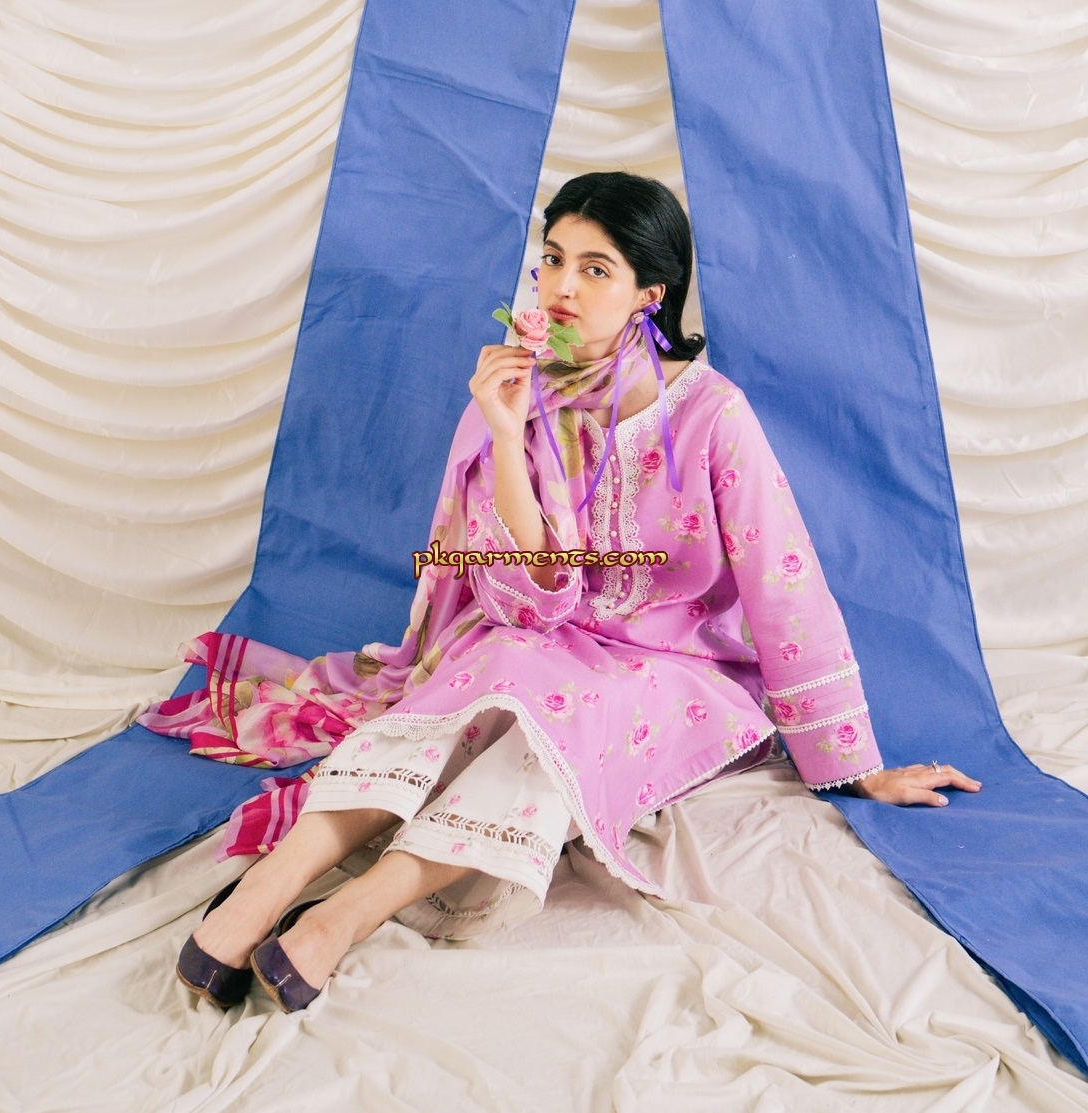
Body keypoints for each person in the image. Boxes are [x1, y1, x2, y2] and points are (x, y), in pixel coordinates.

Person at [151, 172, 981, 1013]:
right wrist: (506, 433)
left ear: (648, 295)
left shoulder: (711, 414)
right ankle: (266, 889)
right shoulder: (523, 394)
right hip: (546, 636)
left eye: (594, 268)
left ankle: (344, 915)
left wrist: (852, 765)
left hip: (679, 666)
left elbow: (784, 583)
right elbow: (529, 603)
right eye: (552, 260)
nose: (561, 287)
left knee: (554, 731)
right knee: (487, 680)